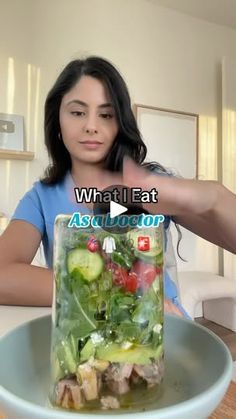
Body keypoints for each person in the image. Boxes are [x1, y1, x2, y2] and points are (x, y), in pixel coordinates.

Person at [0, 56, 235, 313]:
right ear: (57, 121)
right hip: (86, 343)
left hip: (167, 336)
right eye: (77, 112)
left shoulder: (150, 186)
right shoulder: (41, 198)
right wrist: (117, 289)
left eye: (106, 114)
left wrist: (214, 195)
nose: (91, 126)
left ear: (119, 123)